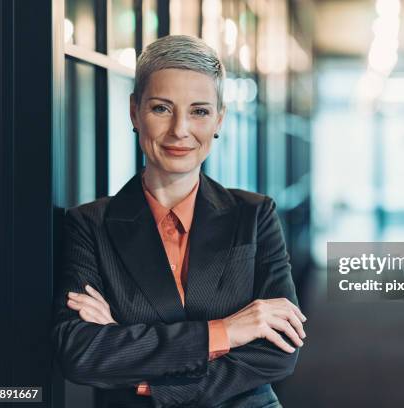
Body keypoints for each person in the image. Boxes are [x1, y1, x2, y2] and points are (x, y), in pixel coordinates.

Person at [51, 34, 306, 408]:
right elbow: (80, 352)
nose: (180, 130)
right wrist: (227, 331)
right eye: (161, 109)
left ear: (219, 119)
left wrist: (138, 368)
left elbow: (279, 350)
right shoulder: (90, 225)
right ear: (134, 112)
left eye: (199, 111)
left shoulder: (254, 215)